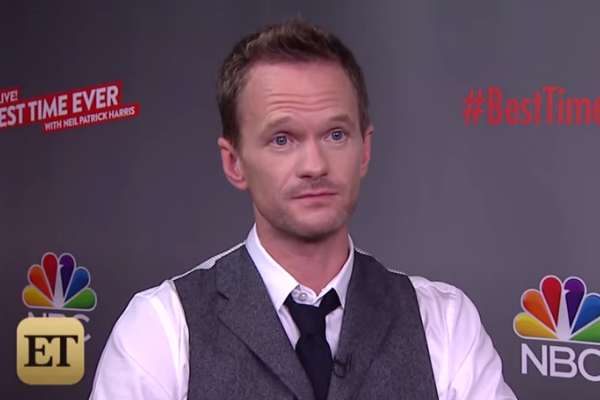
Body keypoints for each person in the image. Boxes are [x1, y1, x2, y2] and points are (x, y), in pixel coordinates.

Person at [90, 18, 517, 400]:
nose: (314, 165)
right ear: (234, 163)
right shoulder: (161, 329)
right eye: (282, 139)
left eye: (335, 135)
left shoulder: (443, 321)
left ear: (365, 150)